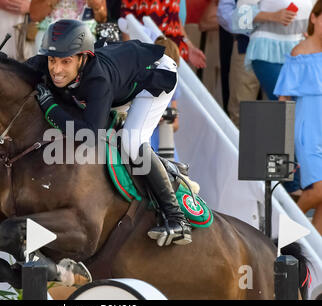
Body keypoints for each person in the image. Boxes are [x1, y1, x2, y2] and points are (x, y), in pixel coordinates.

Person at [24, 19, 192, 247]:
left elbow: (90, 136)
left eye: (66, 62)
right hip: (124, 77)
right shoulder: (53, 62)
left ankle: (177, 218)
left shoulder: (97, 81)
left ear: (82, 58)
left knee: (131, 142)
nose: (56, 69)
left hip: (154, 76)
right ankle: (164, 171)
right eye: (52, 60)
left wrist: (50, 107)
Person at [274, 0, 322, 235]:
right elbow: (284, 99)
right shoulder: (299, 53)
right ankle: (282, 230)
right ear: (314, 18)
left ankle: (315, 252)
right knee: (319, 191)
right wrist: (282, 144)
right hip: (308, 131)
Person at [120, 0, 207, 69]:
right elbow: (126, 20)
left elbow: (175, 18)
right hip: (148, 53)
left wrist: (189, 46)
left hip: (175, 52)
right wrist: (130, 59)